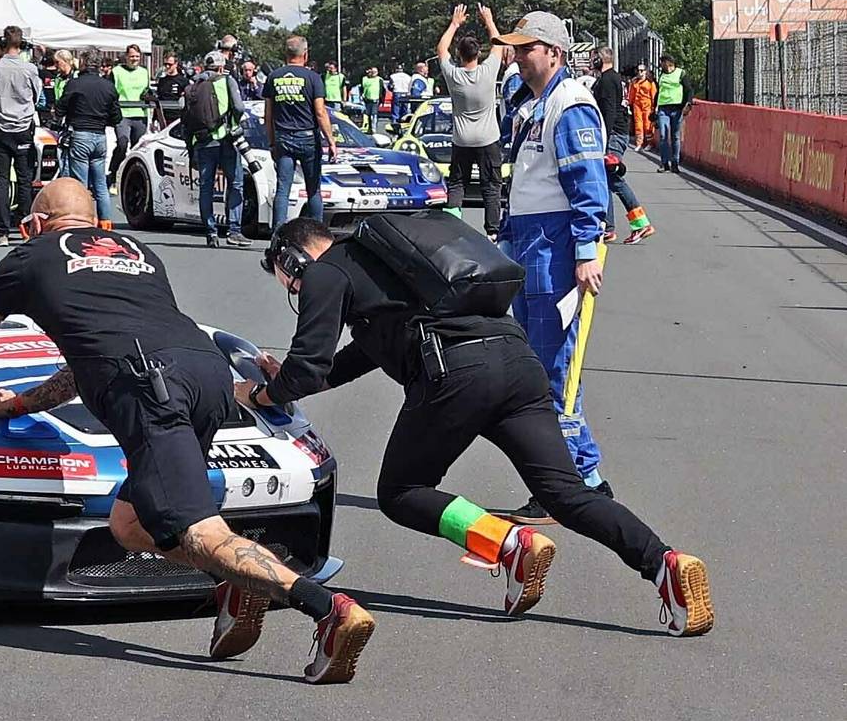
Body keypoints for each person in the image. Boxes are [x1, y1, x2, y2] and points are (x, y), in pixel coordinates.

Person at [0, 180, 376, 684]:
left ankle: (329, 609)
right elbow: (87, 361)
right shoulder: (135, 250)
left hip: (152, 389)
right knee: (130, 523)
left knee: (200, 529)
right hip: (207, 375)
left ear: (37, 222)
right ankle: (237, 582)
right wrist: (16, 404)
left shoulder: (30, 257)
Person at [250, 219, 712, 636]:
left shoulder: (326, 271)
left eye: (290, 283)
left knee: (401, 491)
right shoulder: (386, 257)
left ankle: (508, 543)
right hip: (515, 360)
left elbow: (308, 368)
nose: (296, 290)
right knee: (567, 494)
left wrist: (257, 395)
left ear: (295, 259)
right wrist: (289, 377)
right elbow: (363, 352)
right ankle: (664, 564)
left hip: (458, 375)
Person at [491, 11, 612, 514]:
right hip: (530, 241)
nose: (517, 58)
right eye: (514, 49)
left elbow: (588, 184)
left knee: (551, 369)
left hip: (555, 246)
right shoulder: (534, 104)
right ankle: (581, 476)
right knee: (540, 365)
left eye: (526, 49)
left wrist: (585, 252)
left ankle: (572, 480)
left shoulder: (570, 104)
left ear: (554, 53)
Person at [441, 6, 505, 236]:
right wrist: (489, 19)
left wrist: (455, 23)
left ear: (459, 54)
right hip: (488, 138)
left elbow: (440, 49)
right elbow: (498, 45)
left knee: (457, 183)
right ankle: (493, 232)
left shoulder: (453, 75)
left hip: (462, 139)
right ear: (478, 54)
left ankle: (450, 227)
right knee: (491, 186)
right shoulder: (488, 72)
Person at [265, 35, 337, 232]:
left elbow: (268, 115)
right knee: (313, 189)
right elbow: (320, 112)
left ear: (286, 54)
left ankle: (277, 235)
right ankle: (317, 235)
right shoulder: (313, 78)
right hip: (307, 138)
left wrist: (272, 142)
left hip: (283, 137)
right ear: (305, 55)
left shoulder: (274, 77)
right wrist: (331, 141)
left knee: (283, 189)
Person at [0, 26, 45, 238]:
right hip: (24, 127)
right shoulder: (30, 69)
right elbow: (37, 96)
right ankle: (24, 226)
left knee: (2, 180)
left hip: (1, 128)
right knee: (24, 179)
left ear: (2, 43)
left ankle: (2, 232)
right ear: (22, 44)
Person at [186, 51, 248, 247]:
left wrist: (191, 149)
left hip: (203, 142)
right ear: (222, 67)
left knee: (206, 187)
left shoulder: (194, 86)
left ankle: (211, 232)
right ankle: (234, 230)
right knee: (235, 183)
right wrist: (234, 124)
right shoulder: (227, 81)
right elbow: (239, 107)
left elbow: (185, 119)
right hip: (226, 141)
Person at [591, 52, 654, 243]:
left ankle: (641, 224)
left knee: (613, 178)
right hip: (616, 133)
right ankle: (608, 228)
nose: (592, 60)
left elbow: (609, 111)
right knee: (606, 179)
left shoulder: (609, 80)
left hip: (614, 135)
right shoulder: (612, 78)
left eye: (594, 57)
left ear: (601, 59)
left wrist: (604, 137)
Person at [54, 48, 121, 222]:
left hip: (80, 133)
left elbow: (60, 109)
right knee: (100, 185)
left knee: (80, 185)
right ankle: (105, 223)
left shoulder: (75, 84)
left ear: (83, 63)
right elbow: (116, 117)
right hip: (100, 136)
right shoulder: (109, 87)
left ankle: (82, 221)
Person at [111, 44, 154, 163]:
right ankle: (115, 170)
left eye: (137, 56)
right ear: (126, 56)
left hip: (140, 113)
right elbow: (111, 92)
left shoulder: (144, 71)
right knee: (122, 143)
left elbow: (147, 89)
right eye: (132, 56)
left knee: (137, 147)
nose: (134, 59)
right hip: (123, 113)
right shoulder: (117, 71)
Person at [654, 54, 686, 172]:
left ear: (667, 63)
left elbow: (688, 89)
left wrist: (687, 104)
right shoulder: (661, 75)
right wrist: (654, 108)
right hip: (663, 108)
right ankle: (664, 163)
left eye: (662, 63)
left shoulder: (681, 73)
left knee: (675, 137)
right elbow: (659, 91)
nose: (660, 65)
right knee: (663, 135)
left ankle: (675, 162)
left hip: (677, 109)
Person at [153, 51, 189, 124]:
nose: (167, 67)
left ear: (176, 64)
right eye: (165, 64)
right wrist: (155, 118)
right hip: (163, 117)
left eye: (170, 64)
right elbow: (158, 99)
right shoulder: (162, 81)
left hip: (178, 119)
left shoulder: (183, 81)